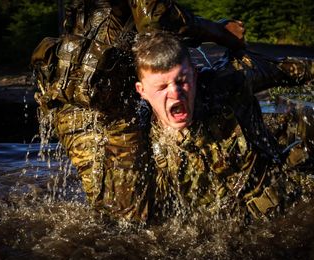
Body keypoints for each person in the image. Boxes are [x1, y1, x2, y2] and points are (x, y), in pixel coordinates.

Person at [31, 0, 246, 221]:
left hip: (79, 93)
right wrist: (221, 32)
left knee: (118, 207)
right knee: (127, 214)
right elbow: (155, 22)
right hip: (94, 101)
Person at [132, 31, 314, 220]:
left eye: (182, 81)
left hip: (287, 197)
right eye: (162, 87)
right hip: (228, 227)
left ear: (195, 74)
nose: (175, 93)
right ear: (141, 91)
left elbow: (289, 68)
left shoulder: (227, 83)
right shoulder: (137, 135)